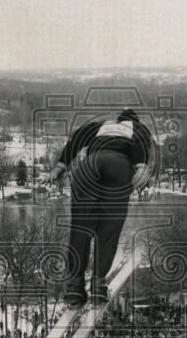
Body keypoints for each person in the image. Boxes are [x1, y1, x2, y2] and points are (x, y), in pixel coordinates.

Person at [42, 108, 155, 305]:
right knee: (108, 231)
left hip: (89, 167)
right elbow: (143, 143)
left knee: (81, 228)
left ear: (117, 120)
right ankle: (98, 286)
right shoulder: (137, 127)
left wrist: (60, 166)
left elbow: (76, 139)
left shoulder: (102, 125)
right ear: (134, 120)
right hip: (118, 167)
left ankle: (75, 287)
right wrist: (142, 166)